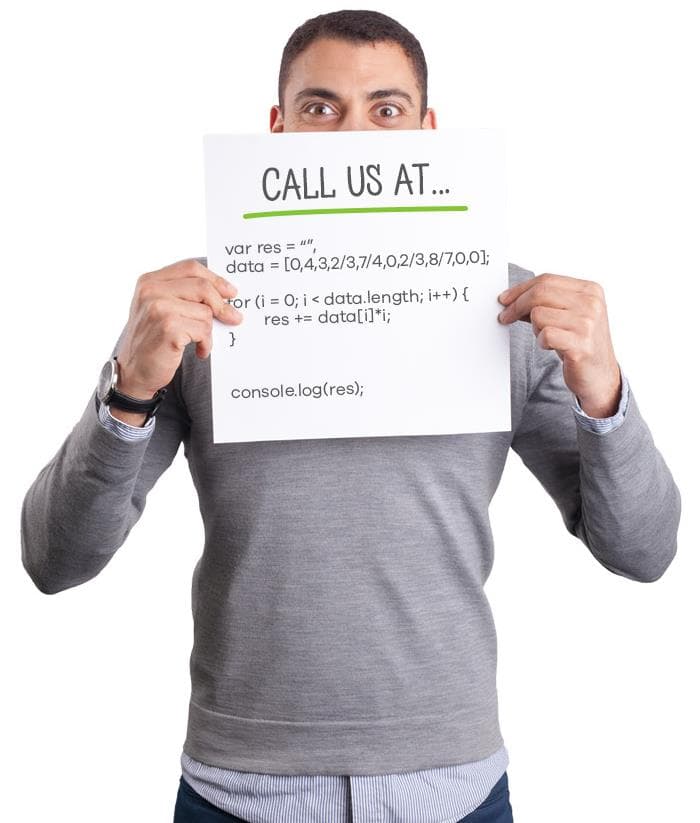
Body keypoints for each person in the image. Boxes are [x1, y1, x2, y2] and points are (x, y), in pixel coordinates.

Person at [20, 10, 681, 823]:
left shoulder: (510, 312)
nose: (354, 137)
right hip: (236, 788)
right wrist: (127, 389)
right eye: (321, 107)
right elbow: (54, 558)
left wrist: (605, 390)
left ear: (428, 133)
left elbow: (643, 551)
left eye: (387, 109)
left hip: (454, 786)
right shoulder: (194, 312)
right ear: (278, 129)